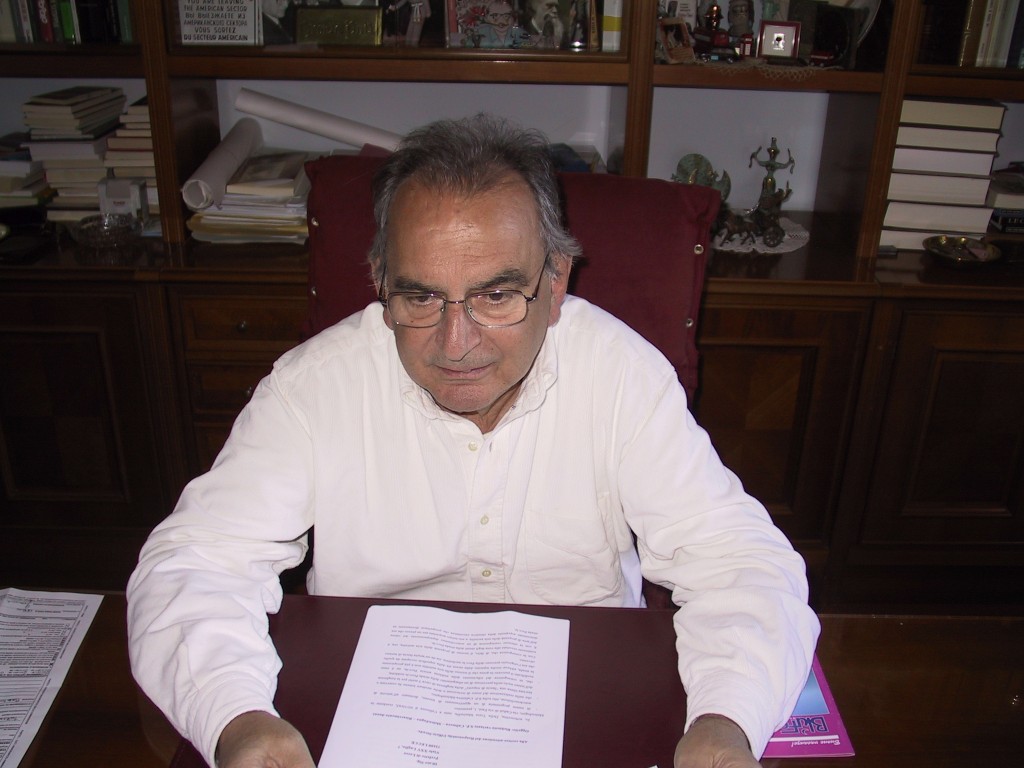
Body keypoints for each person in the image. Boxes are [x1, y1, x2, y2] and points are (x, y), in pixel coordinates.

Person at [127, 113, 819, 768]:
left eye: (496, 295)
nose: (456, 344)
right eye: (420, 297)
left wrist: (727, 717)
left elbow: (739, 562)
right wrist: (237, 715)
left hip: (591, 706)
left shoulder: (623, 376)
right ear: (379, 281)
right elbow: (196, 562)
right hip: (366, 710)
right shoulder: (313, 387)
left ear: (556, 281)